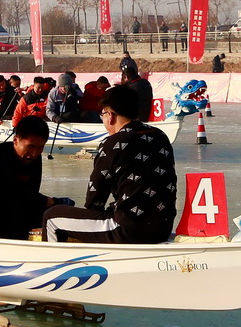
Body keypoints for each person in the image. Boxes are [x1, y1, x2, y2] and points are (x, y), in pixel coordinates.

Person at [43, 85, 177, 244]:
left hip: (127, 228)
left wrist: (90, 223)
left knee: (51, 217)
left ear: (110, 115)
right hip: (163, 227)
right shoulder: (160, 135)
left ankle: (57, 265)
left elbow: (96, 195)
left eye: (102, 115)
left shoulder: (113, 143)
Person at [0, 116, 73, 240]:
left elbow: (32, 193)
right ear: (16, 140)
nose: (34, 153)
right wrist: (48, 201)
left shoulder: (35, 158)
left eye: (40, 147)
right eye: (30, 146)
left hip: (22, 208)